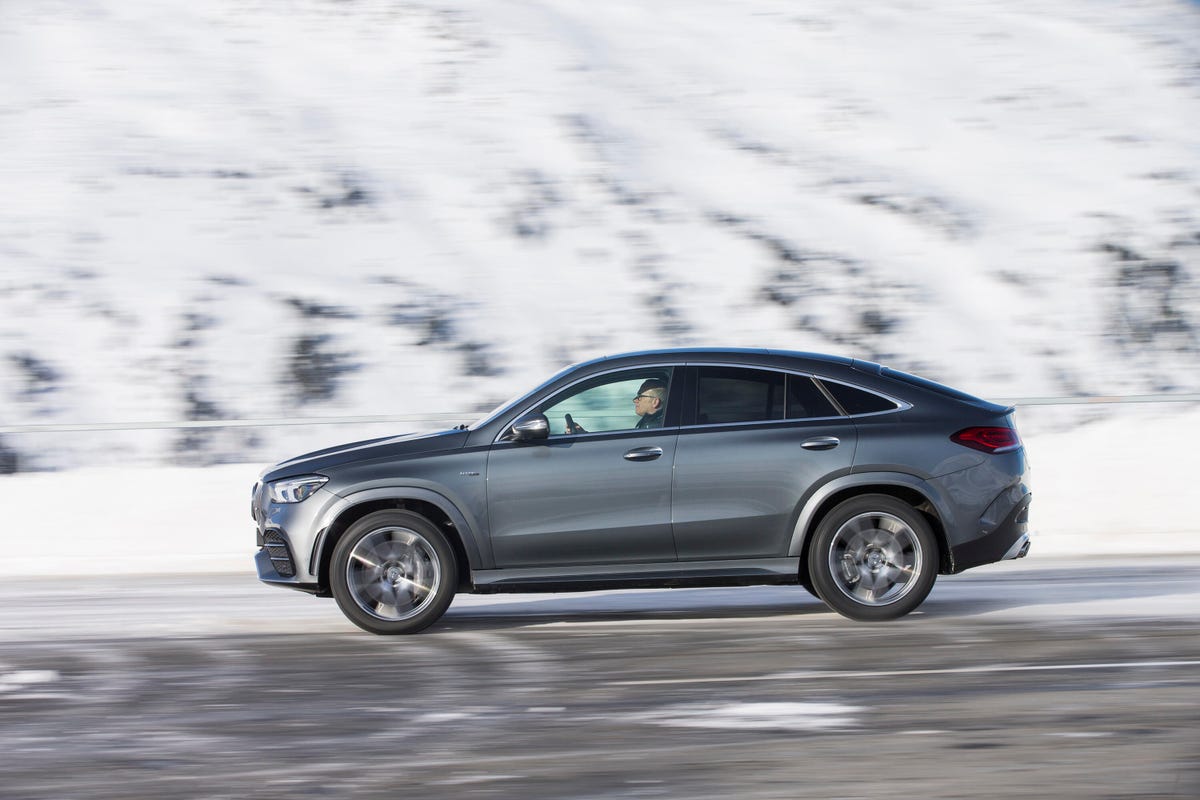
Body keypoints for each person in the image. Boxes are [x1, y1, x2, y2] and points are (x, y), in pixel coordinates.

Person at [563, 378, 668, 434]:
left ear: (655, 402)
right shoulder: (653, 424)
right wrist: (585, 435)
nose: (635, 400)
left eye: (640, 397)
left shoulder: (653, 428)